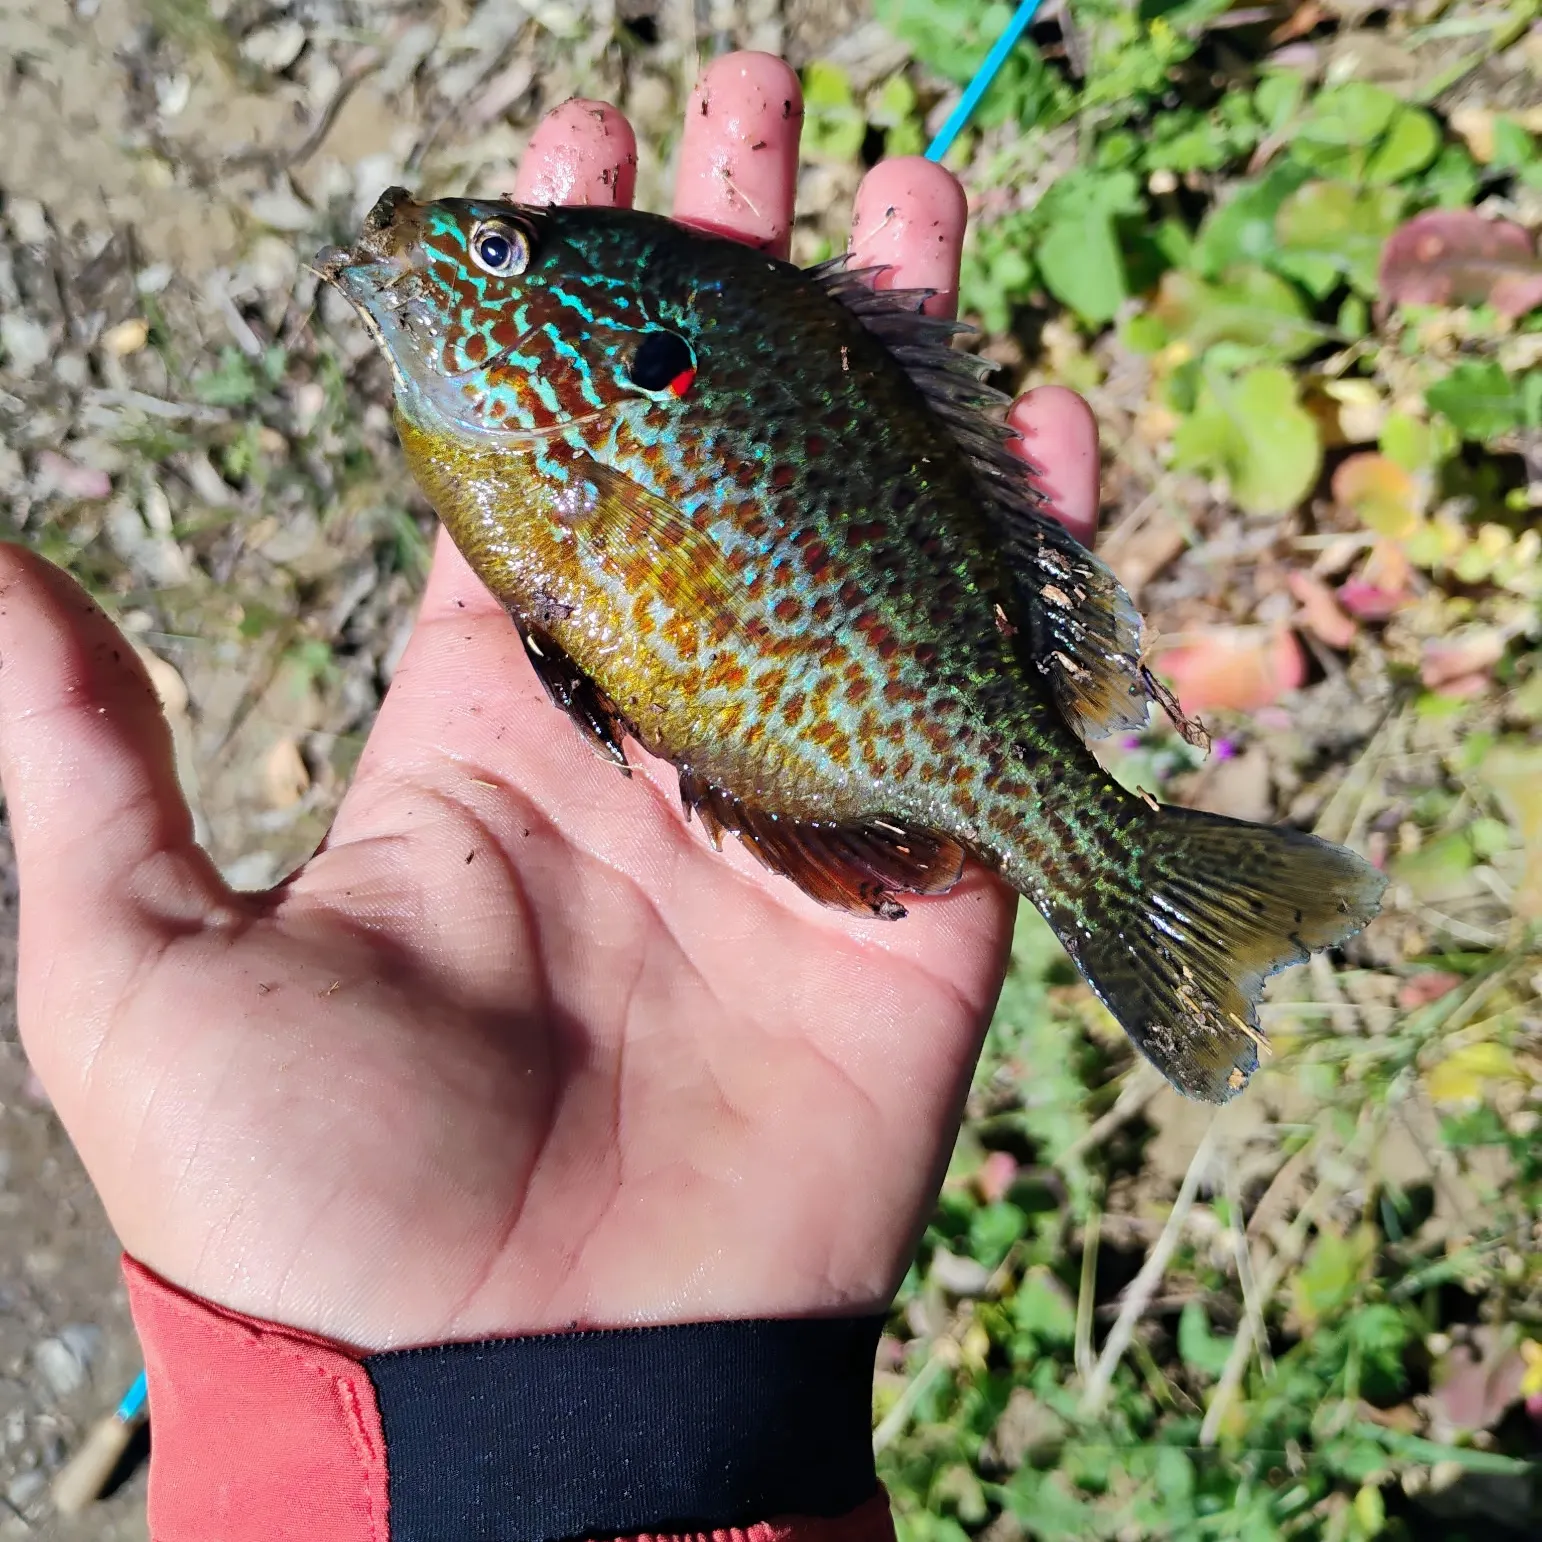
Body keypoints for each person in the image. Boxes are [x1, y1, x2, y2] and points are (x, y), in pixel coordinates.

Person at [0, 51, 1100, 1542]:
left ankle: (1103, 858)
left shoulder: (586, 432)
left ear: (615, 353)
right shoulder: (537, 441)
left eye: (505, 257)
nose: (441, 249)